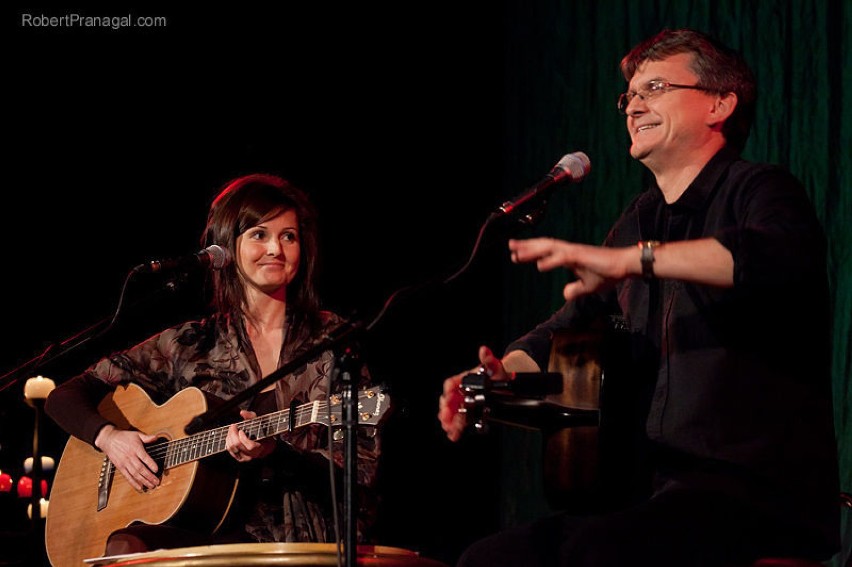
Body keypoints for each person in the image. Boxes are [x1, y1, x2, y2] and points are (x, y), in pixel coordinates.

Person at [438, 28, 840, 567]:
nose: (634, 106)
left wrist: (635, 261)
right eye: (630, 95)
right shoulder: (638, 218)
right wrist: (498, 376)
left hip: (751, 494)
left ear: (720, 104)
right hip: (651, 496)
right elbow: (568, 324)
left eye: (654, 88)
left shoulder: (761, 190)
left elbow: (764, 256)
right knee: (489, 558)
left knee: (597, 553)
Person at [45, 173, 381, 555]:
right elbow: (64, 396)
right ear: (226, 246)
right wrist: (111, 438)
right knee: (126, 547)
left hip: (306, 535)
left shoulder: (332, 340)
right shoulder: (191, 343)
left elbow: (361, 471)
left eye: (288, 236)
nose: (276, 248)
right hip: (211, 534)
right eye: (259, 234)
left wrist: (277, 455)